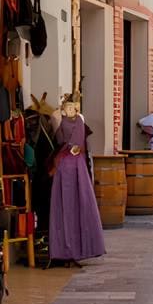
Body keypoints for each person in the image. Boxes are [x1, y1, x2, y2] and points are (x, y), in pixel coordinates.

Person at [49, 93, 106, 262]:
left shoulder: (78, 120)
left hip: (73, 164)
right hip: (68, 164)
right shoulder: (60, 118)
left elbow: (73, 143)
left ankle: (77, 247)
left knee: (78, 202)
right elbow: (60, 139)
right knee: (67, 203)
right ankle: (65, 248)